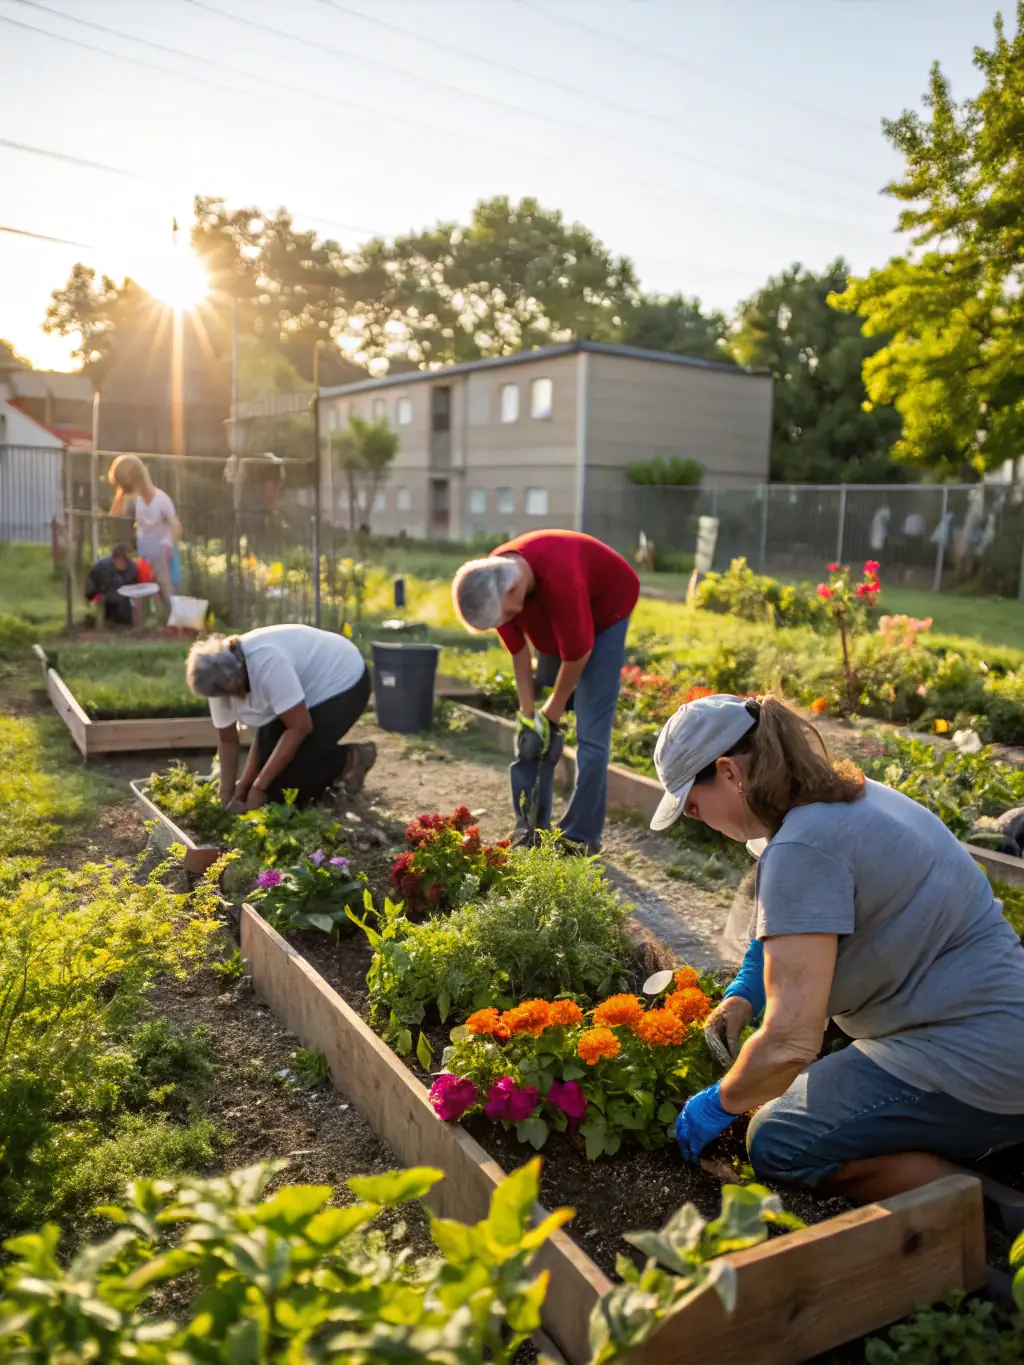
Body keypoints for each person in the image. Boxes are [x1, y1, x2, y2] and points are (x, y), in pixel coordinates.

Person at [650, 692, 1024, 1210]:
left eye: (693, 804)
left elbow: (790, 1044)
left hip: (978, 1063)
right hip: (998, 1021)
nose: (696, 818)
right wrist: (743, 994)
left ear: (729, 773)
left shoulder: (803, 848)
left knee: (778, 1139)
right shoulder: (838, 802)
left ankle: (988, 1206)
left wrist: (718, 1104)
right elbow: (788, 930)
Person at [452, 530, 640, 853]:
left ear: (513, 590)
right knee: (535, 734)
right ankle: (532, 828)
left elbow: (578, 654)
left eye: (509, 615)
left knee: (591, 731)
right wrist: (528, 716)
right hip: (559, 612)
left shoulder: (560, 577)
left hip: (607, 604)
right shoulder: (495, 579)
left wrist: (551, 712)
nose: (510, 619)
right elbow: (519, 654)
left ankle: (580, 837)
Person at [186, 624, 377, 811]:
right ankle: (322, 782)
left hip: (342, 682)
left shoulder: (266, 662)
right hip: (302, 696)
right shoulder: (214, 678)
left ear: (239, 679)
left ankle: (353, 758)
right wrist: (232, 791)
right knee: (272, 777)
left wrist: (259, 787)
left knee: (283, 788)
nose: (230, 700)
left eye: (234, 693)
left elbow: (299, 726)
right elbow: (228, 741)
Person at [108, 454, 181, 615]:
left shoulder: (162, 500)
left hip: (161, 552)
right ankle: (148, 620)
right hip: (144, 552)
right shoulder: (137, 500)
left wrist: (167, 544)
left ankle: (171, 620)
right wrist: (121, 492)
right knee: (146, 590)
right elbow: (115, 514)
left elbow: (175, 525)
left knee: (166, 587)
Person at [83, 543, 139, 626]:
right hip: (101, 593)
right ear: (115, 559)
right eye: (119, 560)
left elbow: (132, 585)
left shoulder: (131, 568)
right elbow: (94, 585)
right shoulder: (103, 567)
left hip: (121, 595)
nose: (122, 564)